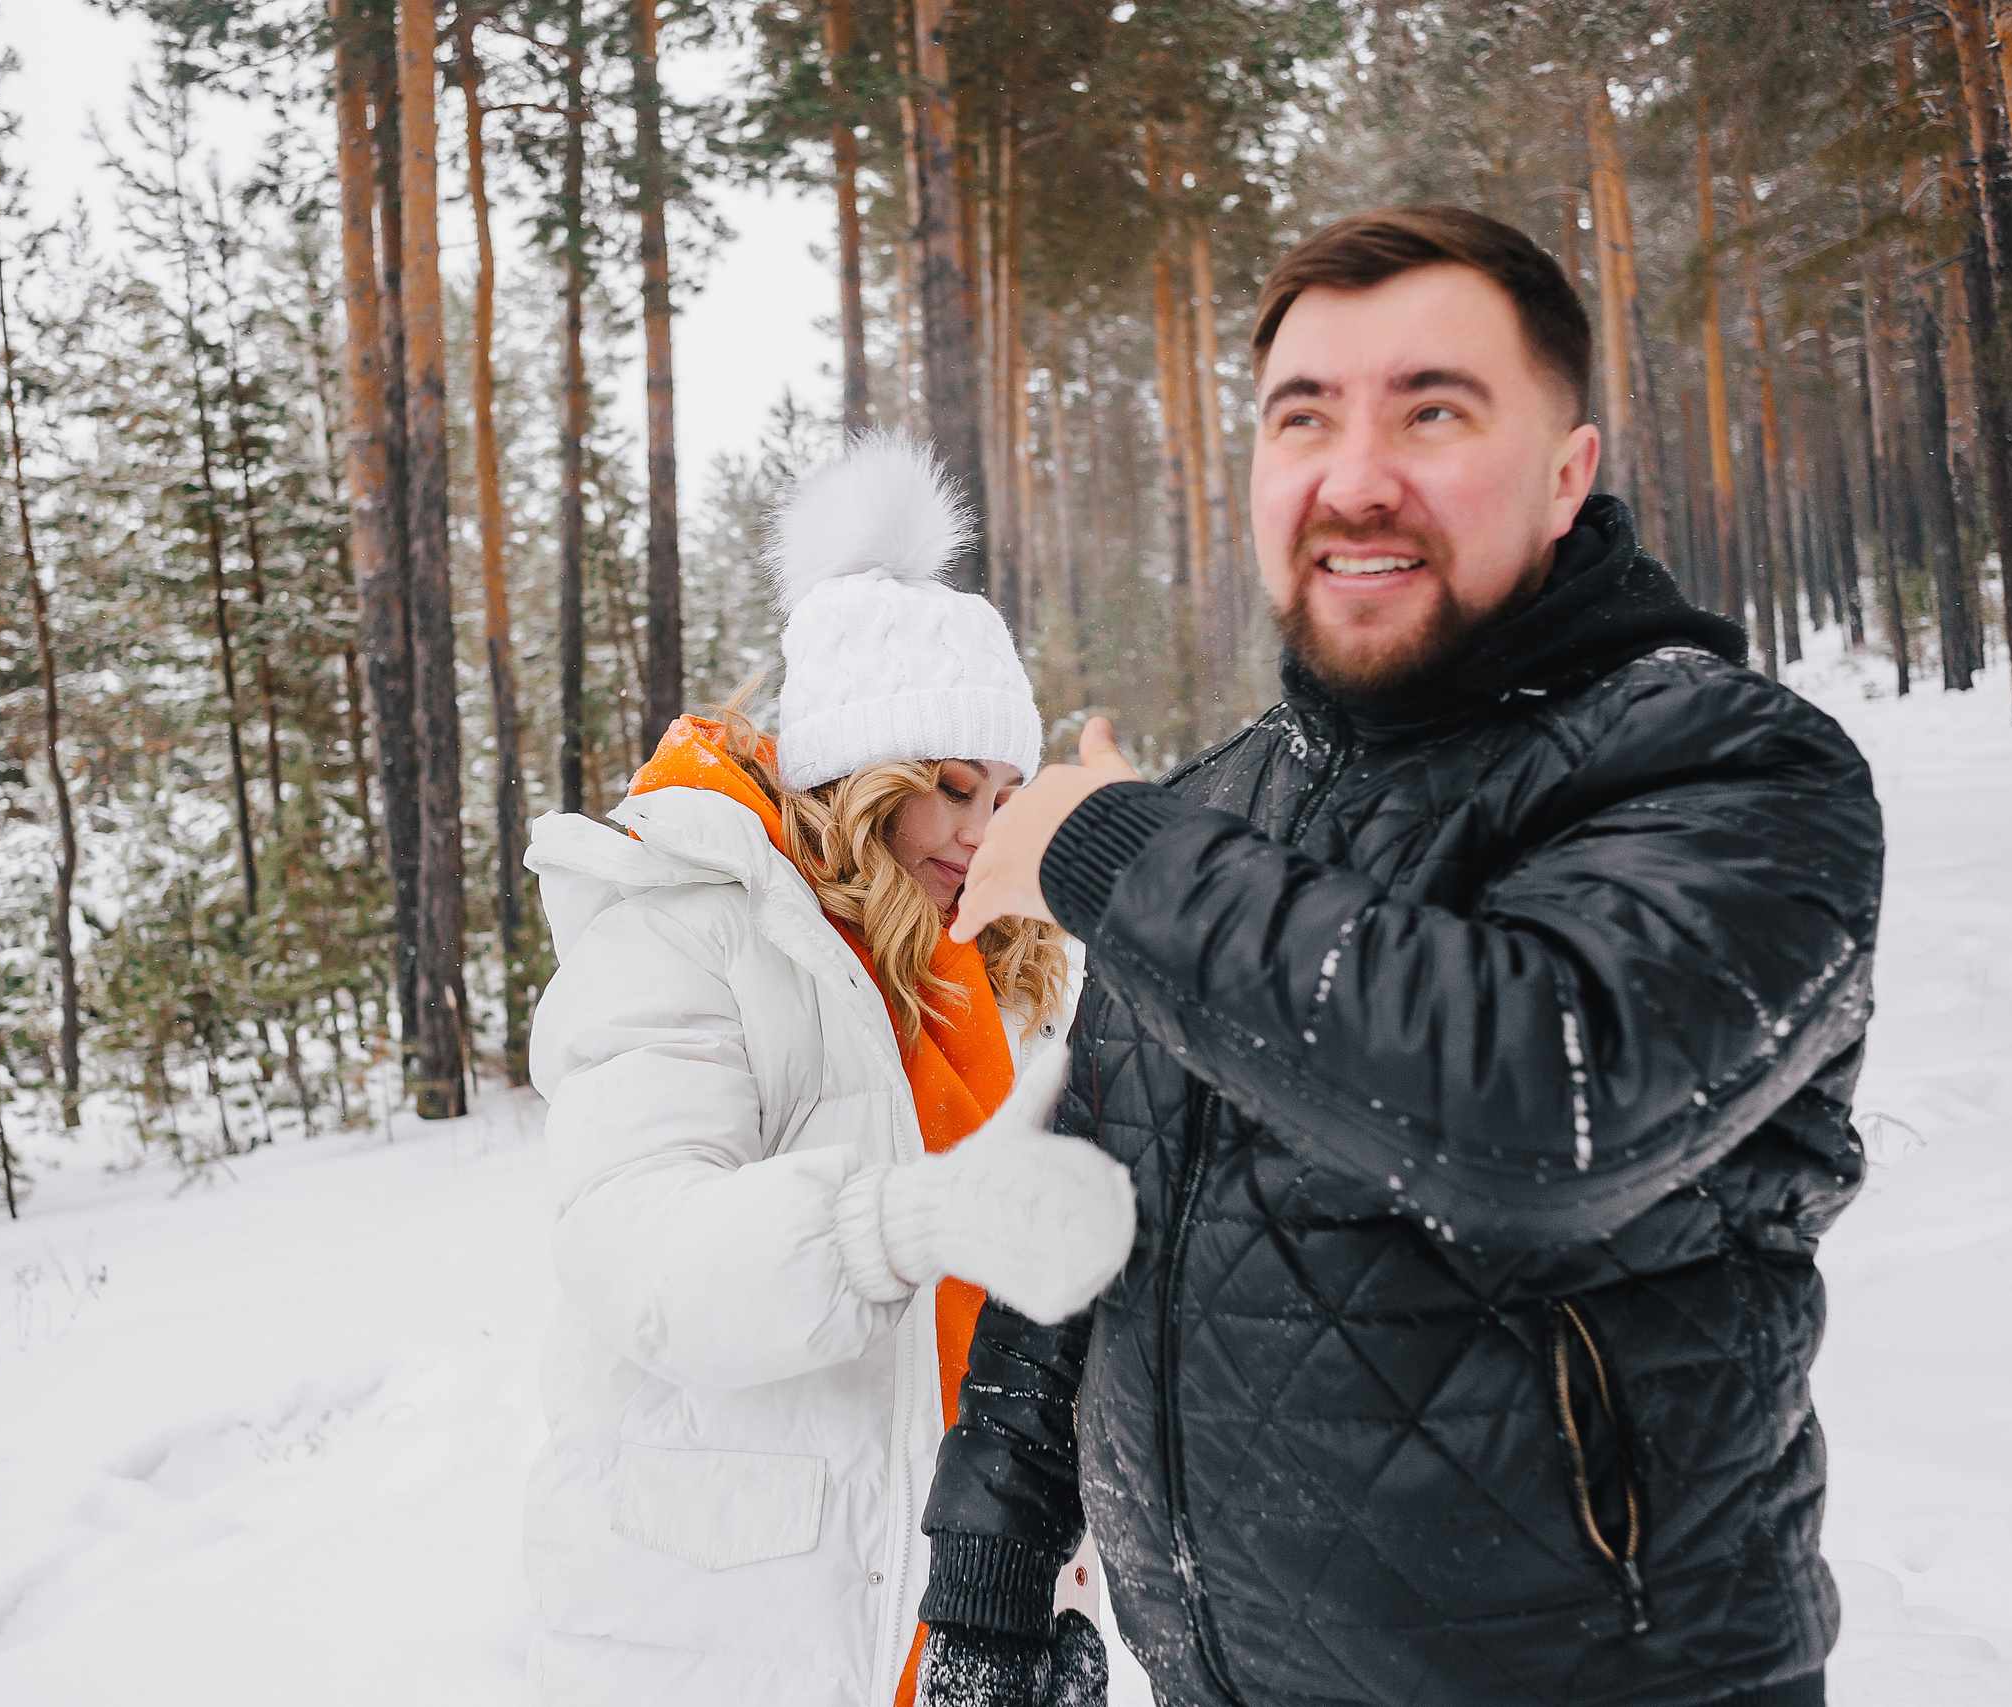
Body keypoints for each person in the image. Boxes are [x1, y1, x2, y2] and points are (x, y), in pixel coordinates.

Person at [913, 207, 1885, 1707]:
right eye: (1304, 417)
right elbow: (1080, 1219)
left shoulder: (1729, 769)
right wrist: (983, 1600)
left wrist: (1112, 852)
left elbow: (1540, 1108)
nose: (1355, 477)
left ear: (1568, 470)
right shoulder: (1213, 814)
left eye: (1433, 409)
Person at [521, 434, 1137, 1707]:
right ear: (858, 782)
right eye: (949, 787)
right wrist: (891, 1221)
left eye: (1007, 791)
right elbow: (633, 1252)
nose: (984, 830)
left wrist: (1054, 1574)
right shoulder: (684, 930)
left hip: (953, 1612)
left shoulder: (995, 976)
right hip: (733, 1625)